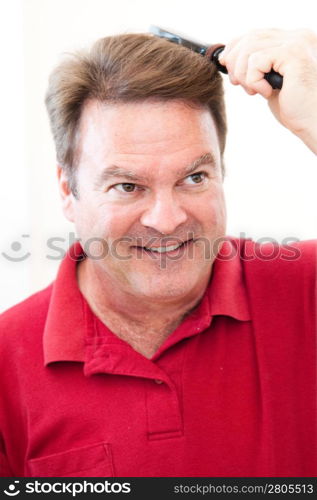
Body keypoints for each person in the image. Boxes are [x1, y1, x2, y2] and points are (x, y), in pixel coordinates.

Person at [0, 28, 316, 478]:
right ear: (68, 190)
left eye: (194, 178)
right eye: (127, 186)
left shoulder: (305, 293)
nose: (167, 220)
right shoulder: (6, 365)